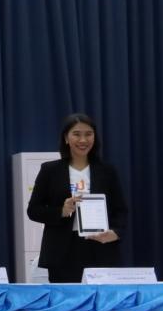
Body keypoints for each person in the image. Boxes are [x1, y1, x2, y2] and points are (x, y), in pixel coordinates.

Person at [26, 113, 128, 283]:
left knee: (100, 297)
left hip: (101, 247)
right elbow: (33, 210)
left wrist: (116, 233)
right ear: (66, 138)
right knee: (67, 297)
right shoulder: (50, 170)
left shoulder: (107, 171)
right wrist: (61, 210)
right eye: (76, 134)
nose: (83, 140)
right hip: (62, 251)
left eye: (88, 134)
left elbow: (121, 210)